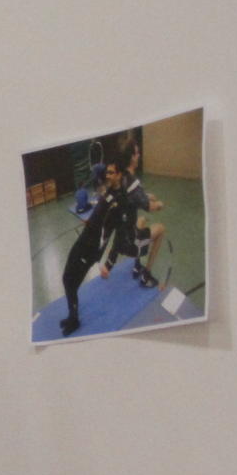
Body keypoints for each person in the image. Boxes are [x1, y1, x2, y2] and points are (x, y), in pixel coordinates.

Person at [58, 162, 129, 338]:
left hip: (90, 249)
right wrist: (92, 220)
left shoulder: (120, 200)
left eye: (112, 173)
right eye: (107, 173)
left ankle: (74, 319)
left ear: (119, 175)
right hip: (84, 240)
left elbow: (117, 235)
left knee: (70, 281)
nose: (108, 176)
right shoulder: (109, 192)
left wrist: (109, 263)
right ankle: (72, 316)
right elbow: (102, 205)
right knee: (67, 279)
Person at [116, 140, 168, 288]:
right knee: (161, 229)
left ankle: (136, 265)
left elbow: (135, 196)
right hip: (129, 243)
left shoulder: (122, 177)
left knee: (141, 220)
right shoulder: (132, 182)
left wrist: (146, 195)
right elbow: (151, 207)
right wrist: (159, 204)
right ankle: (146, 275)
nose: (139, 155)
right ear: (132, 157)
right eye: (137, 153)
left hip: (120, 239)